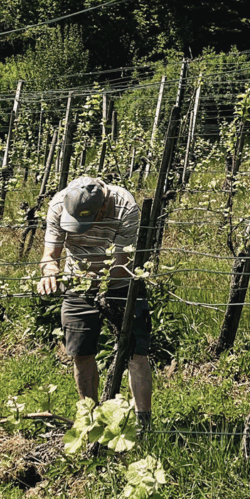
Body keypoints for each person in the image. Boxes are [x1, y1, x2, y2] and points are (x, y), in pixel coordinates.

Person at [38, 176, 152, 430]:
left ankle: (143, 425)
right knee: (81, 352)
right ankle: (91, 422)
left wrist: (95, 277)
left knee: (136, 353)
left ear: (102, 208)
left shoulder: (125, 207)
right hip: (77, 288)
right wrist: (50, 273)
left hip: (123, 287)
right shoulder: (59, 205)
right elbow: (49, 256)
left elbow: (122, 265)